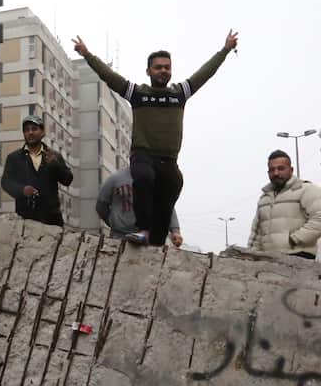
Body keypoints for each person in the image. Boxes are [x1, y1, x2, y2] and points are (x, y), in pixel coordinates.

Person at [73, 31, 238, 245]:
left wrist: (224, 50)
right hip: (143, 154)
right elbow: (109, 77)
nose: (163, 71)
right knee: (143, 176)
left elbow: (205, 73)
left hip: (168, 159)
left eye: (167, 67)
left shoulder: (179, 93)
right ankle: (143, 229)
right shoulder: (138, 94)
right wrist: (87, 55)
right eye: (158, 67)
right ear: (149, 71)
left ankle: (157, 238)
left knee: (173, 183)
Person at [247, 150, 321, 259]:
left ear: (291, 170)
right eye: (272, 170)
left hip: (298, 256)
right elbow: (257, 233)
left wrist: (294, 239)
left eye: (281, 168)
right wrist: (250, 254)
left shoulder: (307, 190)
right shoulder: (265, 198)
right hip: (268, 259)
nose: (276, 173)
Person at [1, 114, 74, 227]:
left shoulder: (53, 156)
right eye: (26, 130)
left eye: (34, 129)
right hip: (25, 220)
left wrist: (56, 165)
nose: (30, 132)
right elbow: (6, 182)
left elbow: (68, 180)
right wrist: (22, 190)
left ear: (42, 132)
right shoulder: (14, 158)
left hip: (51, 221)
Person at [97, 167, 183, 247]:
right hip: (120, 237)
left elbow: (166, 206)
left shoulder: (156, 178)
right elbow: (101, 205)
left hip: (150, 239)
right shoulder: (116, 178)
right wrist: (114, 223)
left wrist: (175, 231)